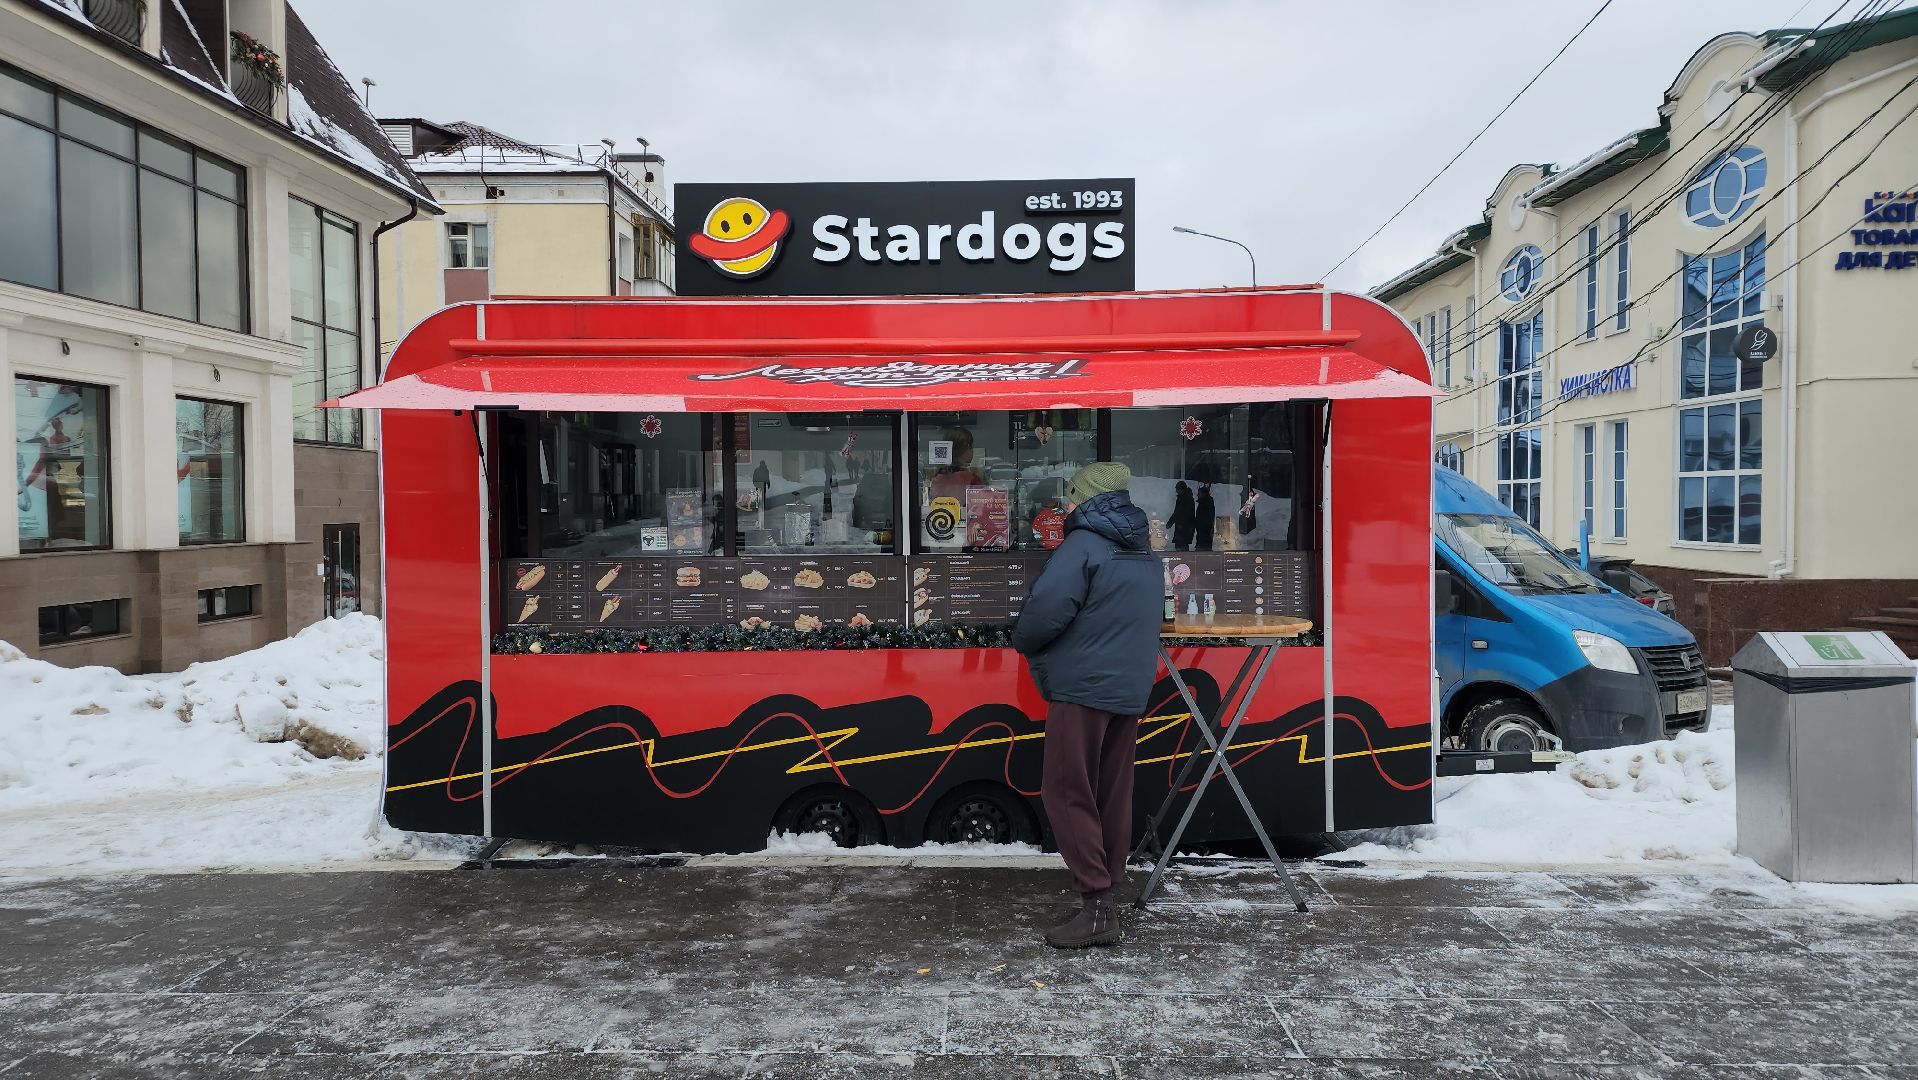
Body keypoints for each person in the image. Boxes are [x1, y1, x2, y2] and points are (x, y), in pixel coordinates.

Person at [1011, 461, 1163, 948]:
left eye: (1070, 496)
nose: (1066, 505)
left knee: (1066, 788)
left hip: (1083, 688)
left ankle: (1097, 905)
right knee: (1110, 791)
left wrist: (1023, 639)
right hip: (1128, 689)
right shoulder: (1141, 548)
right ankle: (1108, 889)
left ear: (1084, 499)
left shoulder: (1083, 545)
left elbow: (1043, 615)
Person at [1167, 481, 1197, 551]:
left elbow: (1178, 513)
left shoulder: (1185, 499)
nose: (1176, 491)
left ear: (1182, 489)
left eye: (1177, 489)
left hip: (1183, 528)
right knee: (1182, 546)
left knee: (1181, 547)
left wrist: (1171, 522)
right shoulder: (1185, 498)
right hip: (1184, 528)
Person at [1194, 484, 1216, 551]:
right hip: (1203, 532)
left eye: (1199, 493)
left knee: (1203, 550)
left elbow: (1207, 518)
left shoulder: (1206, 503)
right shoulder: (1204, 503)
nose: (1197, 495)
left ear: (1204, 494)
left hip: (1204, 533)